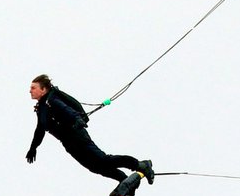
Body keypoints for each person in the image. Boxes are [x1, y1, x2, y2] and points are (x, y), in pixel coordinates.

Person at [26, 74, 154, 186]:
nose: (30, 91)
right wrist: (33, 147)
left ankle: (141, 165)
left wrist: (77, 120)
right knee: (94, 167)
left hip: (77, 136)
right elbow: (40, 129)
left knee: (103, 160)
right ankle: (123, 179)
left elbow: (66, 109)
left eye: (33, 88)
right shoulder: (42, 108)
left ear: (43, 89)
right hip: (69, 143)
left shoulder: (51, 100)